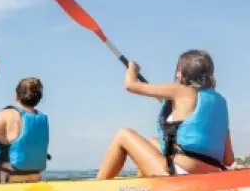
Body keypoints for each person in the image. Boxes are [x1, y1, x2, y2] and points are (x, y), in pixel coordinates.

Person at [96, 49, 234, 179]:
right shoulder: (220, 102)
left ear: (181, 73)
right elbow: (228, 160)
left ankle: (95, 190)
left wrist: (132, 68)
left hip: (181, 174)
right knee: (152, 143)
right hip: (213, 175)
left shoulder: (181, 90)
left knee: (123, 135)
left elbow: (130, 85)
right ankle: (142, 187)